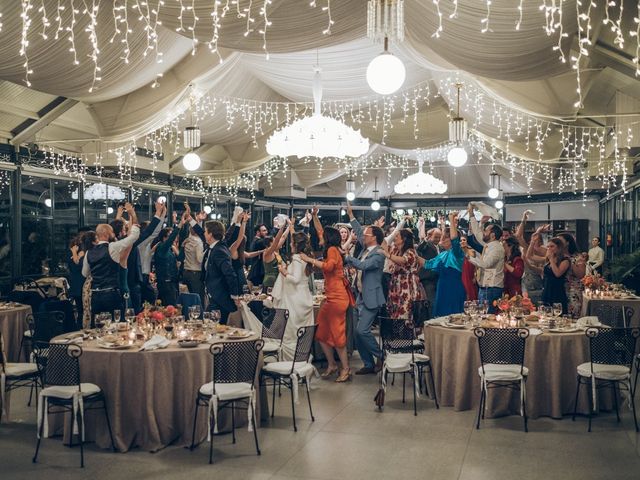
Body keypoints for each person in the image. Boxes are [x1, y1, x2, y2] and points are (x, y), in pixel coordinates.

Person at [300, 227, 352, 382]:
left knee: (337, 334)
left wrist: (310, 260)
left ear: (328, 238)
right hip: (330, 297)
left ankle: (346, 368)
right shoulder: (333, 250)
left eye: (322, 236)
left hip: (337, 298)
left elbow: (329, 267)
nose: (319, 237)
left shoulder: (332, 250)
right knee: (321, 332)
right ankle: (332, 364)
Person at [344, 203, 385, 375]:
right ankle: (368, 364)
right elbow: (359, 232)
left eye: (367, 233)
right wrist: (351, 215)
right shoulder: (368, 248)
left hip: (371, 297)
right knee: (356, 332)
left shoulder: (379, 253)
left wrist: (346, 257)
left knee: (363, 330)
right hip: (359, 295)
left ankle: (381, 356)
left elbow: (363, 265)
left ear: (374, 237)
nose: (363, 235)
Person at [82, 203, 140, 325]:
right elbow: (134, 236)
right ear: (107, 234)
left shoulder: (89, 253)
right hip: (111, 294)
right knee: (116, 325)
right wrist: (132, 215)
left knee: (98, 326)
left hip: (95, 296)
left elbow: (85, 273)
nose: (114, 234)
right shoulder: (112, 248)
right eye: (112, 232)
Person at [274, 232, 316, 361]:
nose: (290, 244)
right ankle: (300, 358)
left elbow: (296, 279)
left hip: (295, 299)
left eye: (292, 242)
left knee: (292, 330)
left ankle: (292, 361)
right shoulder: (305, 257)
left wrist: (284, 272)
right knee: (299, 332)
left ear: (296, 245)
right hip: (303, 296)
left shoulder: (298, 259)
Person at [192, 218, 240, 324]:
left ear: (210, 234)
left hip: (220, 298)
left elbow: (230, 274)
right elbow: (200, 232)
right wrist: (191, 220)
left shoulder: (219, 251)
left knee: (214, 328)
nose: (203, 233)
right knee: (211, 327)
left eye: (205, 231)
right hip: (214, 297)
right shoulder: (215, 246)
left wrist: (234, 295)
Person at [419, 212, 465, 317]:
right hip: (442, 288)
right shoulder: (443, 254)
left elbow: (454, 239)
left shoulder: (457, 253)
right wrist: (412, 253)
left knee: (454, 316)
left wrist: (451, 219)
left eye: (444, 238)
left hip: (454, 288)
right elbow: (427, 264)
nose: (441, 240)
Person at [381, 229, 425, 321]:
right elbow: (383, 243)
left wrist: (388, 255)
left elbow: (403, 260)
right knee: (394, 311)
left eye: (397, 236)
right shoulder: (395, 250)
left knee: (405, 311)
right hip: (396, 284)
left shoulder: (411, 251)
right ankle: (397, 333)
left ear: (403, 239)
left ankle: (407, 333)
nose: (394, 238)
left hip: (407, 286)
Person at [467, 204, 505, 313]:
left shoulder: (497, 248)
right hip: (485, 287)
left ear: (492, 235)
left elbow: (485, 264)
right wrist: (471, 213)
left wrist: (468, 256)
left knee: (488, 317)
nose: (483, 232)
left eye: (486, 231)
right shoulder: (489, 244)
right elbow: (477, 232)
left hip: (492, 289)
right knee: (482, 315)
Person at [527, 236, 570, 313]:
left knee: (557, 313)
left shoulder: (565, 260)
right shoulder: (547, 259)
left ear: (559, 247)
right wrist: (532, 242)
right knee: (545, 313)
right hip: (546, 289)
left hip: (557, 291)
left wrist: (551, 260)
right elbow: (530, 256)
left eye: (552, 246)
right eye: (548, 247)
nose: (549, 249)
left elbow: (557, 273)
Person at [152, 213, 186, 306]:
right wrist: (179, 225)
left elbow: (180, 258)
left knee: (172, 307)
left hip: (172, 282)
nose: (174, 238)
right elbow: (171, 238)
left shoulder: (170, 249)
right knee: (170, 308)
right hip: (166, 283)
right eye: (170, 236)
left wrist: (182, 247)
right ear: (164, 238)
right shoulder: (162, 248)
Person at [514, 211, 544, 306]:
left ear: (541, 241)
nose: (534, 242)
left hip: (539, 284)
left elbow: (540, 270)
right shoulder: (527, 248)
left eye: (536, 240)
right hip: (526, 282)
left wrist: (538, 232)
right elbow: (518, 236)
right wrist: (524, 219)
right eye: (532, 240)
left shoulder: (545, 251)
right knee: (526, 307)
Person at [557, 232, 587, 318]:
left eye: (560, 240)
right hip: (560, 289)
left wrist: (571, 261)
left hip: (573, 290)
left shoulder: (577, 257)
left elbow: (581, 275)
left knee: (573, 314)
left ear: (567, 243)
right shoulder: (559, 256)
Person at [416, 224, 442, 318]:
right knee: (431, 302)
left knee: (438, 301)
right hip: (427, 279)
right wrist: (426, 239)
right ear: (430, 236)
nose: (437, 239)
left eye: (439, 237)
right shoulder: (426, 245)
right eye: (436, 237)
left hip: (438, 279)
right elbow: (419, 248)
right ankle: (431, 320)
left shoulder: (441, 248)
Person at [261, 223, 290, 291]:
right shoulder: (267, 253)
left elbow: (283, 237)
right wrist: (282, 228)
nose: (276, 243)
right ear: (270, 243)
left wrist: (289, 226)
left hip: (278, 279)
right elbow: (277, 240)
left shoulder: (275, 251)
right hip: (270, 281)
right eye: (274, 242)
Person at [182, 225, 205, 302]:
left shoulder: (187, 240)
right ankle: (199, 314)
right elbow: (200, 259)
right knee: (198, 299)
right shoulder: (198, 242)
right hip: (195, 273)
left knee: (190, 299)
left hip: (186, 272)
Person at [68, 235, 86, 328]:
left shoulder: (82, 255)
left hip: (81, 287)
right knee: (81, 311)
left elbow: (78, 266)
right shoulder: (73, 257)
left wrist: (74, 253)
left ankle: (81, 328)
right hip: (77, 287)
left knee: (82, 311)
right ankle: (79, 328)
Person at [460, 235, 478, 301]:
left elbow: (477, 265)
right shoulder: (458, 253)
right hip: (461, 277)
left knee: (471, 297)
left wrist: (475, 276)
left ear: (467, 241)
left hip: (470, 277)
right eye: (461, 240)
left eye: (464, 240)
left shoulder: (472, 252)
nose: (462, 242)